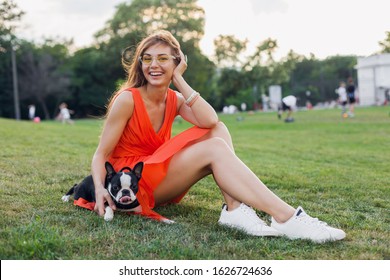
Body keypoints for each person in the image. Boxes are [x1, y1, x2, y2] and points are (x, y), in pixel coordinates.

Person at [90, 30, 345, 243]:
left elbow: (211, 120)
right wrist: (101, 188)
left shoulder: (174, 99)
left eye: (163, 59)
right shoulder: (127, 100)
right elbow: (101, 153)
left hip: (157, 173)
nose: (154, 65)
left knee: (218, 131)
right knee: (214, 148)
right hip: (132, 182)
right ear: (140, 64)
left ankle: (234, 210)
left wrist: (179, 80)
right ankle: (287, 218)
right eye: (147, 59)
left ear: (177, 62)